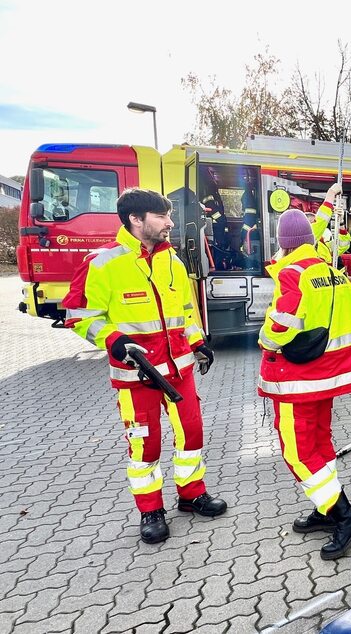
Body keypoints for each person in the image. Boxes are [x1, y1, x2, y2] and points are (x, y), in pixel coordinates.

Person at [62, 188, 227, 544]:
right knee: (145, 446)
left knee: (192, 434)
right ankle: (150, 510)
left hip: (179, 371)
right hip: (136, 376)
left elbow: (185, 311)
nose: (170, 223)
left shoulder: (174, 262)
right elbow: (78, 315)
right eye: (161, 216)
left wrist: (198, 342)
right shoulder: (103, 263)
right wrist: (112, 340)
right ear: (136, 220)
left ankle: (192, 494)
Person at [257, 194, 351, 560]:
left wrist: (265, 341)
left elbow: (282, 324)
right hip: (328, 377)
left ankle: (345, 516)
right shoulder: (330, 270)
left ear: (283, 243)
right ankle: (326, 509)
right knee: (320, 444)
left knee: (298, 451)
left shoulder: (292, 272)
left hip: (297, 379)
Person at [200, 166, 233, 271]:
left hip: (219, 227)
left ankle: (221, 266)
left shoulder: (213, 191)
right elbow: (211, 208)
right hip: (216, 227)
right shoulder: (209, 192)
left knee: (221, 246)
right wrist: (221, 220)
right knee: (217, 247)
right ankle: (219, 267)